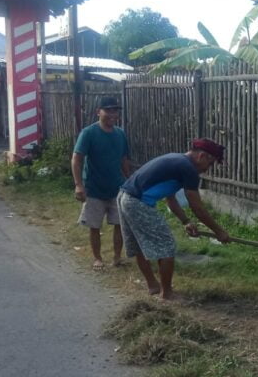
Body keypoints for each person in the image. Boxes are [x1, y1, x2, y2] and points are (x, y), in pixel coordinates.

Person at [117, 138, 231, 300]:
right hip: (137, 203)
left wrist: (185, 221)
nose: (207, 169)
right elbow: (197, 207)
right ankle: (167, 293)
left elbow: (169, 198)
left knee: (139, 245)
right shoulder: (188, 169)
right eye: (210, 164)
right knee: (167, 246)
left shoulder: (176, 160)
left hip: (124, 196)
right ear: (202, 156)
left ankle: (153, 286)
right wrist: (219, 231)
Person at [71, 96, 132, 271]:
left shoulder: (120, 134)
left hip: (117, 188)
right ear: (99, 112)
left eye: (115, 111)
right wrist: (78, 185)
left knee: (119, 224)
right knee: (94, 225)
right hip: (94, 189)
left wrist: (129, 181)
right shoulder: (89, 133)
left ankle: (117, 257)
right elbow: (76, 160)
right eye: (108, 110)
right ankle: (97, 258)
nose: (112, 114)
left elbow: (123, 160)